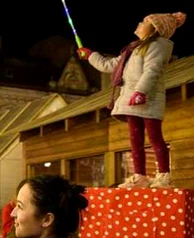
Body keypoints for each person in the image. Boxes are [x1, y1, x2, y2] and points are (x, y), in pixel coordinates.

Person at [78, 12, 186, 188]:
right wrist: (90, 55)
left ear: (154, 29)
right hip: (131, 99)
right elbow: (109, 65)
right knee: (135, 139)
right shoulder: (133, 49)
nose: (139, 23)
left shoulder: (158, 46)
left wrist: (141, 92)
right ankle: (140, 176)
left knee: (154, 137)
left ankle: (165, 175)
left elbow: (152, 70)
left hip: (148, 99)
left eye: (144, 22)